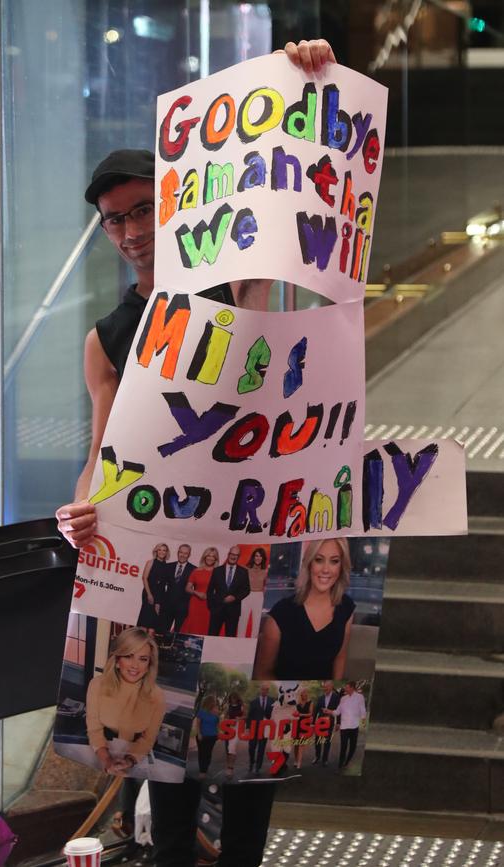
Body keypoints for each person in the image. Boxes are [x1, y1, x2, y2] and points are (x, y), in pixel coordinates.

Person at [55, 37, 338, 867]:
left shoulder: (232, 288)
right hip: (160, 566)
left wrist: (297, 82)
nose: (133, 230)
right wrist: (79, 508)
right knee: (168, 771)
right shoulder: (106, 339)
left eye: (145, 209)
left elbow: (286, 216)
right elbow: (102, 457)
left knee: (247, 757)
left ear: (176, 203)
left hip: (249, 550)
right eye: (116, 219)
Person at [253, 537, 355, 680]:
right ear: (309, 564)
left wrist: (335, 696)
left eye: (334, 561)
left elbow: (340, 657)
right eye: (319, 560)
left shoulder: (346, 607)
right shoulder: (281, 614)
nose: (326, 569)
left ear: (341, 566)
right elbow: (262, 673)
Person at [85, 627, 165, 774]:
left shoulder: (157, 695)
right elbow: (94, 730)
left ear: (149, 665)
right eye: (129, 656)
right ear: (117, 660)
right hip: (100, 752)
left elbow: (148, 739)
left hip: (136, 759)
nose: (135, 665)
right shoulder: (97, 685)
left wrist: (129, 761)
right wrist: (107, 760)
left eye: (143, 659)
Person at [207, 546, 251, 637]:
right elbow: (210, 590)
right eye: (232, 554)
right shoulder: (217, 571)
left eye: (236, 555)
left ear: (239, 557)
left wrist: (235, 597)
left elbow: (247, 590)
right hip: (217, 610)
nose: (233, 556)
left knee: (230, 638)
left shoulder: (243, 572)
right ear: (228, 554)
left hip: (233, 611)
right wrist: (211, 607)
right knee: (211, 637)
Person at [181, 547, 219, 635]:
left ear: (216, 559)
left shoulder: (219, 572)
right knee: (193, 627)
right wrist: (197, 593)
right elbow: (187, 588)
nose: (210, 558)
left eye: (213, 556)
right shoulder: (196, 571)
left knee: (207, 627)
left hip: (210, 604)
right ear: (204, 557)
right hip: (195, 603)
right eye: (208, 556)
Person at [333, 681, 366, 770]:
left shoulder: (360, 697)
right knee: (343, 746)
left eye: (347, 687)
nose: (345, 688)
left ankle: (347, 761)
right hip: (344, 727)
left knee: (353, 746)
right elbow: (338, 711)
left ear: (352, 688)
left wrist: (363, 719)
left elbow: (362, 709)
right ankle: (340, 764)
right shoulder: (343, 698)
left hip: (354, 726)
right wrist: (330, 712)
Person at [161, 543, 195, 631]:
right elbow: (161, 586)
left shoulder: (194, 570)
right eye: (181, 552)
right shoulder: (168, 566)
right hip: (167, 606)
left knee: (178, 634)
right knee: (163, 631)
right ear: (178, 552)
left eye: (185, 553)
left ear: (189, 555)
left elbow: (194, 589)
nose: (182, 555)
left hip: (183, 607)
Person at [137, 542, 170, 630]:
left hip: (159, 595)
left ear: (167, 552)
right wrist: (149, 595)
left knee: (153, 626)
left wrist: (159, 601)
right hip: (149, 592)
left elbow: (165, 583)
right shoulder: (151, 562)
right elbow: (144, 578)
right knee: (144, 623)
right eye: (160, 550)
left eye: (164, 550)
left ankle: (149, 642)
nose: (162, 552)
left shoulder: (167, 566)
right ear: (156, 551)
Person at [239, 547, 268, 637]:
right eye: (256, 556)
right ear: (253, 557)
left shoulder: (265, 571)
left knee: (256, 623)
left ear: (263, 558)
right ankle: (239, 644)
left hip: (259, 596)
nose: (258, 558)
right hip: (246, 595)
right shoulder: (245, 569)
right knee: (242, 621)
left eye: (260, 556)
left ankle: (252, 645)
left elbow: (265, 586)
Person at [246, 683, 274, 774]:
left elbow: (273, 714)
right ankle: (251, 762)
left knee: (261, 748)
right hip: (254, 728)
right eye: (262, 689)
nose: (264, 691)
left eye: (266, 689)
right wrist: (248, 728)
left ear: (268, 691)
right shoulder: (254, 702)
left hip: (265, 729)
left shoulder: (271, 701)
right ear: (260, 690)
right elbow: (249, 716)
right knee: (251, 747)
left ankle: (258, 767)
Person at [312, 679, 340, 766]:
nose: (325, 688)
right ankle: (317, 757)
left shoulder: (336, 697)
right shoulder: (320, 698)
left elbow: (339, 711)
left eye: (327, 686)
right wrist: (313, 723)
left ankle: (325, 759)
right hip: (320, 722)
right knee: (317, 740)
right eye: (324, 687)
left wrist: (338, 723)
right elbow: (315, 711)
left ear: (331, 687)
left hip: (330, 721)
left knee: (327, 741)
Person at [195, 694, 220, 778]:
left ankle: (205, 768)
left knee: (208, 753)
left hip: (212, 736)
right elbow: (198, 724)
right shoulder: (202, 711)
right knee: (202, 753)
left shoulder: (216, 712)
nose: (215, 702)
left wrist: (218, 733)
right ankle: (202, 771)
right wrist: (199, 733)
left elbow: (217, 724)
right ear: (210, 702)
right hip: (202, 736)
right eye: (214, 701)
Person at [292, 687, 314, 770]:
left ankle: (299, 763)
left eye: (305, 693)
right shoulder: (297, 703)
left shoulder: (310, 703)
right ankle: (296, 760)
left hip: (305, 725)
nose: (304, 694)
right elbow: (293, 713)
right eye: (303, 693)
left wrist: (301, 715)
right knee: (296, 744)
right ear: (301, 694)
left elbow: (310, 714)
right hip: (297, 725)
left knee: (301, 744)